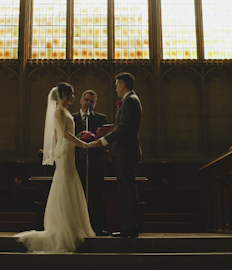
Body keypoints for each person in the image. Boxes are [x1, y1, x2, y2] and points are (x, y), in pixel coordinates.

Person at [15, 82, 96, 252]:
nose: (74, 97)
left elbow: (58, 133)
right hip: (65, 151)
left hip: (67, 150)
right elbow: (65, 134)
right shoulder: (59, 111)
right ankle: (64, 226)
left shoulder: (63, 111)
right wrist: (84, 144)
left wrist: (76, 142)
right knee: (65, 183)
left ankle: (72, 224)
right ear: (64, 94)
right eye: (72, 94)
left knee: (69, 183)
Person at [92, 72, 142, 238]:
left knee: (127, 190)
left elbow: (124, 127)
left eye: (116, 86)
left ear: (123, 85)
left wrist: (104, 141)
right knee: (125, 190)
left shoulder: (130, 101)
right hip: (124, 151)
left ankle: (130, 228)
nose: (115, 90)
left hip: (126, 152)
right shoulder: (129, 101)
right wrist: (108, 130)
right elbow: (123, 125)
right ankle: (128, 227)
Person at [72, 89, 108, 236]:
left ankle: (99, 226)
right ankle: (78, 226)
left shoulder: (101, 118)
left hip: (95, 161)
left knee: (97, 194)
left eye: (92, 101)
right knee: (78, 194)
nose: (89, 103)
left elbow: (106, 139)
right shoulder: (72, 118)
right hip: (77, 160)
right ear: (81, 101)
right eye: (86, 100)